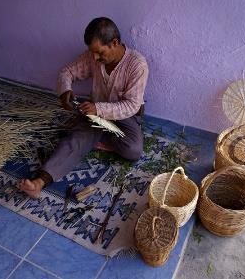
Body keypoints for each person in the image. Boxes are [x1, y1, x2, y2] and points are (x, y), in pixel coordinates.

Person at [18, 17, 149, 198]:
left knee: (133, 150)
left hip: (123, 115)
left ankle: (96, 138)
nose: (95, 58)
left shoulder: (137, 65)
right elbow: (67, 72)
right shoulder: (92, 57)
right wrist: (65, 90)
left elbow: (132, 105)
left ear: (114, 43)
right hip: (94, 114)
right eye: (92, 52)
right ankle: (39, 183)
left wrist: (99, 109)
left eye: (99, 52)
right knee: (75, 141)